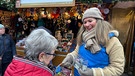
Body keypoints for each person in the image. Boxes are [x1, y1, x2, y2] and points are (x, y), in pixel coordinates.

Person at [61, 7, 125, 76]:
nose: (87, 25)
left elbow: (117, 69)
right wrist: (71, 57)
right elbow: (77, 52)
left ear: (99, 21)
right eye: (85, 22)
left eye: (90, 21)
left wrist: (94, 73)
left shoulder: (112, 41)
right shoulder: (83, 37)